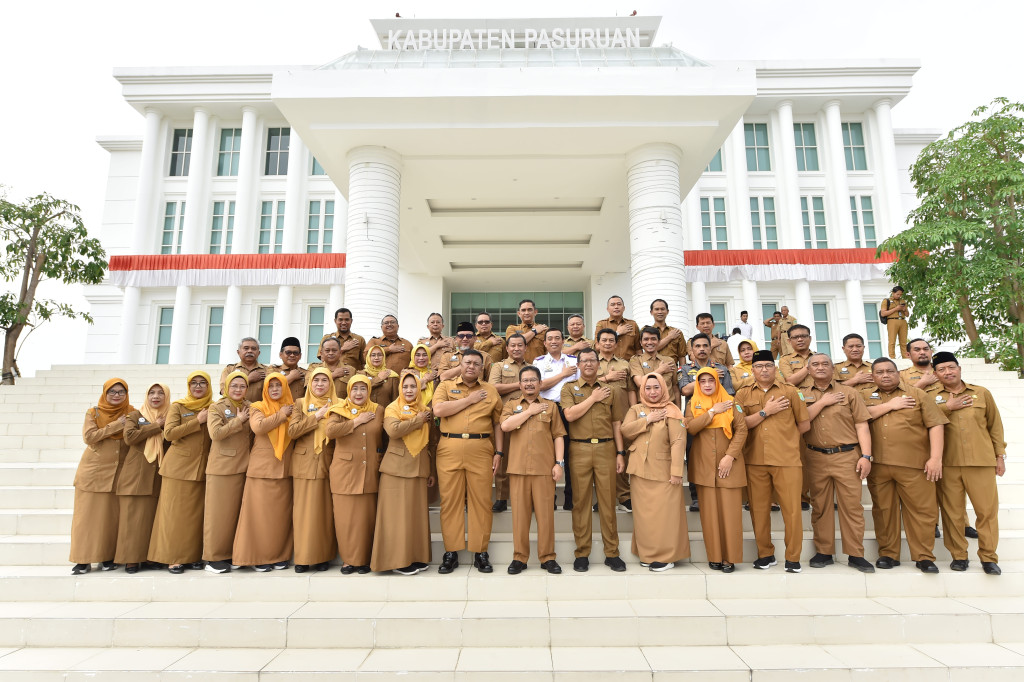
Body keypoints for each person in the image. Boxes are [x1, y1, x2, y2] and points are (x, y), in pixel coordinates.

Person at [860, 358, 948, 573]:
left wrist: (935, 458)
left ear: (898, 373)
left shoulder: (917, 394)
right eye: (880, 372)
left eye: (890, 371)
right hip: (879, 465)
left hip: (914, 464)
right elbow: (859, 418)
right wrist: (889, 406)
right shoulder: (864, 396)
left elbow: (936, 424)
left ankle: (924, 556)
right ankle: (888, 554)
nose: (885, 375)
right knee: (883, 511)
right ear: (872, 376)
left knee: (922, 511)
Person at [736, 350, 810, 573]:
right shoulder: (742, 395)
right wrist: (765, 412)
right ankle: (765, 554)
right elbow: (740, 426)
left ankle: (793, 557)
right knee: (758, 511)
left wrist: (785, 440)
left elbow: (804, 425)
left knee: (792, 510)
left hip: (786, 459)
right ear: (752, 369)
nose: (764, 370)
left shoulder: (791, 392)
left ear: (775, 368)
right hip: (755, 460)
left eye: (769, 365)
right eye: (759, 366)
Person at [932, 352, 1006, 575]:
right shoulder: (931, 397)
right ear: (935, 374)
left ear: (959, 368)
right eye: (942, 369)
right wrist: (948, 407)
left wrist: (999, 455)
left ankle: (988, 557)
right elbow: (920, 421)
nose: (948, 372)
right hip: (948, 463)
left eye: (951, 367)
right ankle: (959, 556)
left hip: (981, 462)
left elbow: (994, 425)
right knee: (952, 512)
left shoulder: (982, 393)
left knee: (987, 512)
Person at [432, 350, 504, 574]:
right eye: (467, 362)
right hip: (450, 447)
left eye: (476, 364)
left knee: (481, 501)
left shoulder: (490, 391)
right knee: (450, 501)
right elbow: (439, 409)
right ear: (460, 365)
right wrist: (469, 400)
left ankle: (480, 551)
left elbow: (497, 424)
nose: (471, 366)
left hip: (481, 449)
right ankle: (451, 552)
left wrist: (499, 452)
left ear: (482, 368)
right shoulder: (445, 386)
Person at [801, 354, 875, 573]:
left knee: (852, 506)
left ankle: (856, 554)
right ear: (808, 369)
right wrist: (822, 402)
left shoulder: (850, 393)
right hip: (815, 457)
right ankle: (824, 551)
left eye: (825, 364)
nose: (821, 367)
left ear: (834, 368)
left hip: (847, 456)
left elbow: (862, 425)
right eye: (815, 364)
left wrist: (866, 456)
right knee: (820, 506)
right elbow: (800, 422)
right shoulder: (802, 394)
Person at [561, 347, 627, 572]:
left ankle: (612, 552)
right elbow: (569, 415)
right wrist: (593, 398)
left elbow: (617, 423)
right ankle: (582, 553)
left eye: (592, 360)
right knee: (581, 503)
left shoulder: (610, 390)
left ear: (599, 365)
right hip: (579, 449)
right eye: (584, 361)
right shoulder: (569, 388)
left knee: (608, 502)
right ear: (578, 365)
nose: (588, 364)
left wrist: (620, 453)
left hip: (606, 448)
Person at [500, 365, 567, 575]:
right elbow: (506, 426)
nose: (529, 384)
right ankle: (519, 557)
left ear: (540, 384)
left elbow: (558, 436)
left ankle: (548, 557)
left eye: (533, 380)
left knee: (546, 516)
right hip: (518, 468)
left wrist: (559, 463)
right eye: (525, 380)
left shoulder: (551, 407)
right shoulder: (511, 405)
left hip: (544, 469)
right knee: (520, 517)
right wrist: (529, 411)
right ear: (520, 385)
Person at [620, 373, 689, 571]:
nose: (652, 392)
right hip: (639, 471)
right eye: (648, 388)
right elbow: (626, 431)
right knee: (644, 516)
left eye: (656, 387)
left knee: (665, 516)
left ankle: (666, 557)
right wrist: (648, 419)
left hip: (664, 472)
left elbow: (678, 441)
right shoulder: (636, 409)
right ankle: (648, 554)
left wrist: (676, 471)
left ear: (664, 389)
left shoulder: (672, 410)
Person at [149, 371, 213, 574]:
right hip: (177, 469)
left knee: (194, 517)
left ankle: (191, 556)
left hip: (201, 469)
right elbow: (169, 434)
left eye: (203, 383)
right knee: (173, 516)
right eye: (194, 383)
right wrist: (197, 421)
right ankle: (173, 558)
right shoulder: (178, 406)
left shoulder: (213, 406)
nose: (198, 386)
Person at [685, 368, 748, 573]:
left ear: (717, 382)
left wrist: (730, 456)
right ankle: (715, 557)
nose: (707, 384)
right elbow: (691, 428)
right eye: (702, 381)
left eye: (710, 380)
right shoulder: (692, 404)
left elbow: (742, 430)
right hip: (703, 466)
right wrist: (712, 411)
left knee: (730, 515)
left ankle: (730, 558)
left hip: (729, 466)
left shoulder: (732, 402)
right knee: (709, 516)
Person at [372, 370, 435, 575]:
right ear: (400, 388)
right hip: (395, 470)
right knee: (395, 518)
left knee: (414, 518)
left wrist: (431, 470)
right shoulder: (393, 407)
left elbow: (430, 443)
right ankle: (396, 561)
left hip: (418, 468)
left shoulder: (425, 409)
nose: (409, 390)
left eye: (413, 386)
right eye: (405, 386)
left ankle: (414, 556)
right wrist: (418, 420)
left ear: (419, 388)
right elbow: (394, 431)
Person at [70, 378, 133, 575]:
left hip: (117, 473)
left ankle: (107, 558)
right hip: (93, 473)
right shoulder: (94, 413)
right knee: (86, 519)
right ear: (105, 393)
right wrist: (116, 425)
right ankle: (82, 560)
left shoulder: (132, 412)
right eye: (112, 392)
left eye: (121, 392)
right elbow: (89, 437)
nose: (116, 395)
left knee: (110, 519)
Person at [233, 372, 294, 572]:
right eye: (271, 386)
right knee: (258, 516)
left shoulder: (293, 407)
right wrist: (281, 414)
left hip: (284, 469)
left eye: (279, 385)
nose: (275, 389)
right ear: (265, 389)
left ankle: (276, 555)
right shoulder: (258, 407)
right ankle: (256, 557)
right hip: (262, 469)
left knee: (279, 517)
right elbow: (258, 427)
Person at [325, 375, 384, 574]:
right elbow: (330, 431)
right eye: (355, 389)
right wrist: (356, 421)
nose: (359, 393)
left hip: (369, 471)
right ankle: (348, 560)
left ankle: (364, 559)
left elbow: (383, 437)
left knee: (366, 519)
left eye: (363, 389)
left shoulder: (378, 410)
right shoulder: (339, 410)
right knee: (345, 520)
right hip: (345, 472)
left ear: (369, 391)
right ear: (348, 391)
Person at [287, 367, 339, 573]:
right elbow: (293, 431)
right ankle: (302, 557)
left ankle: (321, 556)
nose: (319, 384)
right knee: (303, 513)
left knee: (324, 513)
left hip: (328, 461)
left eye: (324, 380)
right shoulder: (300, 404)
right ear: (310, 383)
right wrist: (315, 417)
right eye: (316, 380)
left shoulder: (338, 404)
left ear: (330, 384)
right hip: (304, 463)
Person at [202, 371, 252, 574]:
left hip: (244, 466)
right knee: (218, 515)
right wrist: (238, 420)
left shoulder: (250, 406)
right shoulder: (217, 407)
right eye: (234, 386)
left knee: (235, 515)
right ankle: (213, 557)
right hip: (222, 468)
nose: (238, 390)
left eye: (242, 386)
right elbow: (216, 434)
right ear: (226, 388)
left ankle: (233, 554)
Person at [679, 333, 735, 512]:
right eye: (698, 346)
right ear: (692, 350)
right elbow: (684, 390)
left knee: (719, 453)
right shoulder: (685, 369)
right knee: (694, 455)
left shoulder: (722, 369)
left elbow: (729, 393)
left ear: (710, 348)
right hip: (695, 416)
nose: (702, 349)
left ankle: (719, 490)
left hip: (720, 416)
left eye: (705, 346)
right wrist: (707, 376)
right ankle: (696, 496)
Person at [119, 382, 167, 573]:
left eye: (160, 393)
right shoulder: (135, 415)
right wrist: (155, 426)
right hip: (136, 473)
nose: (156, 397)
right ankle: (131, 559)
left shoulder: (169, 415)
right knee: (132, 519)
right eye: (152, 393)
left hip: (158, 473)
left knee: (151, 518)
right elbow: (130, 437)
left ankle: (149, 557)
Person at [535, 328, 579, 509]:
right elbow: (539, 386)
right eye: (550, 339)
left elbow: (579, 386)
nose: (554, 341)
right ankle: (549, 499)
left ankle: (570, 499)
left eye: (557, 338)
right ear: (544, 343)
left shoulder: (574, 361)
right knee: (547, 454)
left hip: (569, 410)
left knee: (570, 454)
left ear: (563, 342)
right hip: (546, 409)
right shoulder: (538, 362)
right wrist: (562, 374)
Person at [488, 333, 528, 513]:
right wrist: (521, 384)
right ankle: (502, 498)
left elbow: (537, 387)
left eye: (520, 345)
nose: (516, 348)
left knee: (526, 457)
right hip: (504, 418)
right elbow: (494, 387)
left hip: (528, 418)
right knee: (502, 457)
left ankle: (527, 497)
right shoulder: (499, 366)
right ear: (507, 348)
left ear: (525, 348)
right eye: (513, 345)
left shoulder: (532, 367)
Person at [596, 328, 634, 510]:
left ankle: (624, 496)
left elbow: (631, 389)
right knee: (601, 456)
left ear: (617, 344)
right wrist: (607, 378)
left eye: (612, 340)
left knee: (622, 454)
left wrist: (634, 410)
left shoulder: (625, 364)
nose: (608, 343)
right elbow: (585, 385)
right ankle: (602, 497)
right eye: (604, 340)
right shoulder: (590, 362)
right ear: (597, 343)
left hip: (622, 415)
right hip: (598, 417)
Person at [630, 326, 680, 405]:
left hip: (668, 407)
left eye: (653, 339)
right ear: (640, 342)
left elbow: (675, 387)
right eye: (646, 339)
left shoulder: (669, 361)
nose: (649, 342)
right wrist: (661, 370)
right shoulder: (636, 360)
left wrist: (678, 411)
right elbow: (640, 382)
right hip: (646, 408)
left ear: (659, 341)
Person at [219, 337, 267, 403]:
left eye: (253, 348)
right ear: (238, 352)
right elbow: (223, 391)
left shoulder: (267, 370)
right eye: (246, 348)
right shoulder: (229, 369)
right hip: (235, 410)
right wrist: (248, 379)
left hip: (259, 411)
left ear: (258, 353)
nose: (250, 351)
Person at [594, 295, 640, 361]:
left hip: (630, 364)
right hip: (609, 364)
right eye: (612, 305)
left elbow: (638, 349)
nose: (616, 307)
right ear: (607, 309)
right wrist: (617, 333)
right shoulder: (601, 324)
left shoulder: (632, 324)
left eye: (619, 304)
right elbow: (597, 347)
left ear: (624, 308)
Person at [504, 298, 547, 363]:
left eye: (529, 310)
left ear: (535, 312)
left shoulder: (544, 330)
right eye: (523, 310)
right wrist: (534, 331)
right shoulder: (512, 328)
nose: (526, 313)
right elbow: (516, 342)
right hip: (517, 368)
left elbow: (549, 351)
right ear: (519, 313)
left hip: (538, 369)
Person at [649, 299, 687, 367]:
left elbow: (682, 356)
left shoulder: (677, 332)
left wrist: (682, 374)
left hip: (673, 369)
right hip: (653, 369)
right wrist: (669, 337)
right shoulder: (647, 331)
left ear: (667, 311)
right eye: (657, 309)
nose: (660, 312)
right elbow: (651, 349)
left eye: (662, 309)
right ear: (651, 312)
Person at [881, 286, 910, 359]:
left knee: (903, 341)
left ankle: (905, 357)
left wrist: (904, 309)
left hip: (902, 320)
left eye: (900, 294)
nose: (899, 296)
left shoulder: (903, 301)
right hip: (892, 320)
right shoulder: (886, 301)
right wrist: (896, 309)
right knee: (892, 340)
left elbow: (907, 314)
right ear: (893, 293)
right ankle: (892, 357)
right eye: (897, 294)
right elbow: (883, 313)